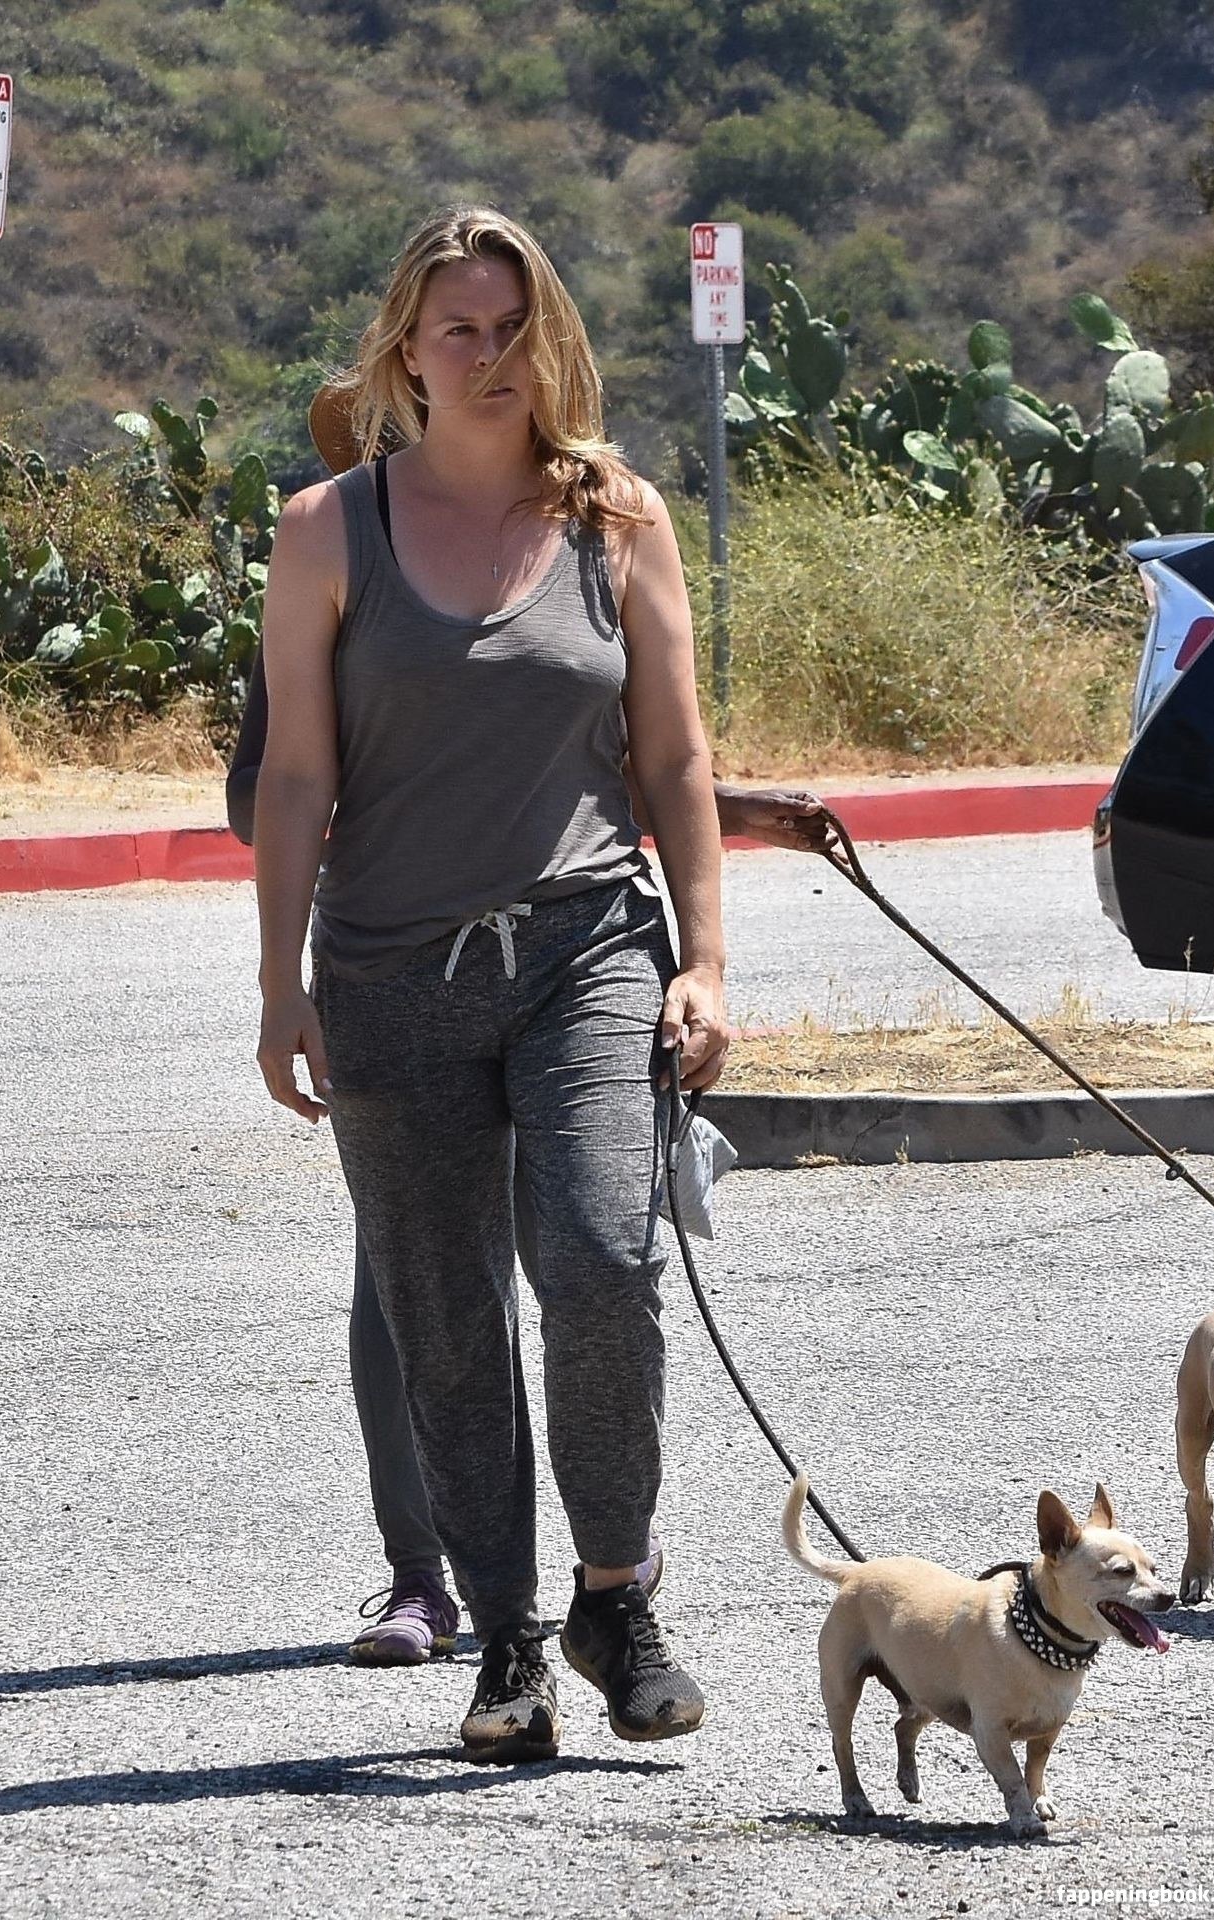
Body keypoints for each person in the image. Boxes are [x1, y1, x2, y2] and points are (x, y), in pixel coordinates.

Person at [251, 202, 807, 1763]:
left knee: (600, 1255)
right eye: (459, 329)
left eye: (513, 327)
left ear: (548, 337)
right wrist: (280, 982)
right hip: (388, 970)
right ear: (405, 350)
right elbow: (293, 775)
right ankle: (503, 1635)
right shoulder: (327, 530)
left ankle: (614, 1596)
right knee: (442, 1317)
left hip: (585, 946)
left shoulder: (616, 517)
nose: (489, 356)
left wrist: (705, 958)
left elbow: (672, 755)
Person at [229, 643, 834, 1668]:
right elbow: (260, 795)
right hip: (402, 976)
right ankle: (423, 1574)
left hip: (571, 975)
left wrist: (726, 808)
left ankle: (614, 1560)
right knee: (414, 1297)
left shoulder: (580, 571)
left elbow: (598, 762)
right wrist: (383, 805)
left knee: (597, 1263)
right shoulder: (335, 578)